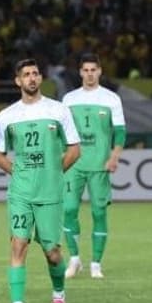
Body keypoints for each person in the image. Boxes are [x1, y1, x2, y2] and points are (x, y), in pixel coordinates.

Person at [0, 58, 81, 303]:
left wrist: (54, 174)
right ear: (18, 81)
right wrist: (18, 174)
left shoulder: (58, 110)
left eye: (35, 73)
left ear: (40, 79)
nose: (31, 78)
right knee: (18, 244)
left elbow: (75, 149)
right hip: (20, 193)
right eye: (26, 75)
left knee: (52, 252)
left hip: (50, 193)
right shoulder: (6, 116)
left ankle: (58, 296)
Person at [61, 53, 126, 279]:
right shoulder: (69, 99)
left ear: (100, 71)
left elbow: (120, 131)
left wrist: (115, 156)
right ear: (80, 72)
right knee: (68, 209)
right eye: (85, 70)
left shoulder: (111, 99)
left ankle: (96, 263)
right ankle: (75, 259)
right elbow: (62, 133)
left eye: (93, 70)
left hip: (100, 165)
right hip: (74, 165)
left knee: (99, 212)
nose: (89, 74)